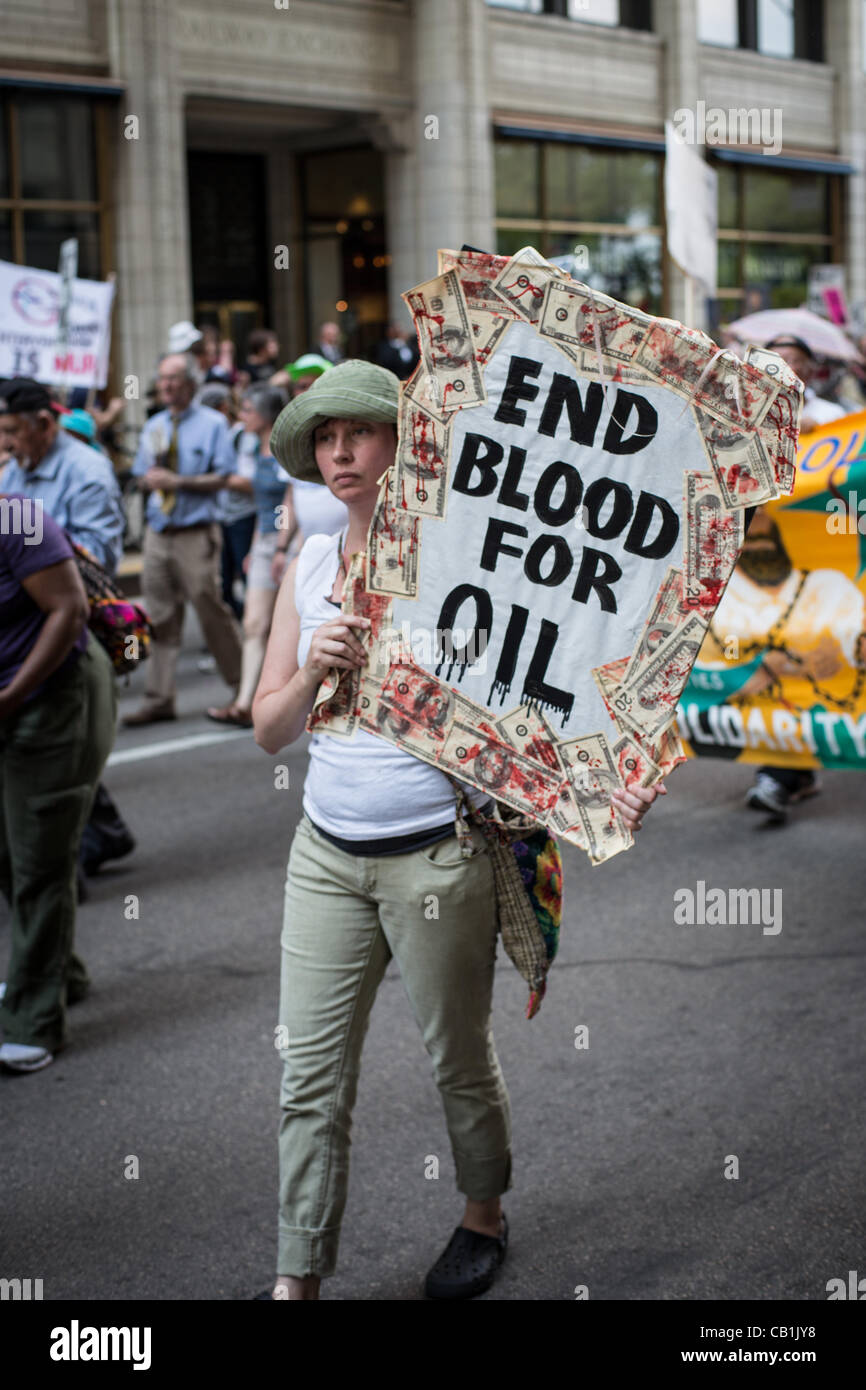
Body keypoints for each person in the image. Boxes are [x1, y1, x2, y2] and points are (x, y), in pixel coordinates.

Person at [252, 361, 663, 1300]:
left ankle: (483, 1214)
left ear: (408, 446)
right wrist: (313, 668)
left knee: (459, 1062)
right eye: (324, 437)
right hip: (324, 857)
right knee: (308, 1081)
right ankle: (297, 1278)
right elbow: (268, 727)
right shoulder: (310, 565)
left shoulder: (472, 570)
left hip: (439, 858)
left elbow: (545, 698)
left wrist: (609, 774)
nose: (341, 450)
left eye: (359, 431)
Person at [0, 497, 116, 1072]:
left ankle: (36, 1018)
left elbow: (67, 611)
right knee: (8, 855)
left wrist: (9, 698)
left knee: (41, 861)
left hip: (44, 703)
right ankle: (55, 972)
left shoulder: (16, 519)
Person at [741, 336, 847, 816]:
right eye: (775, 358)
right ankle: (783, 772)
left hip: (820, 560)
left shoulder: (831, 418)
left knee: (805, 655)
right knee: (769, 657)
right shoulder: (746, 410)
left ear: (809, 367)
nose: (784, 365)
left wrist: (808, 430)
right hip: (761, 566)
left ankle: (785, 773)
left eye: (793, 360)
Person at [124, 352, 242, 725]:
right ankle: (159, 698)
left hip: (196, 532)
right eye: (162, 379)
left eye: (174, 379)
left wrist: (180, 483)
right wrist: (151, 481)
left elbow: (224, 476)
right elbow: (142, 475)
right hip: (159, 533)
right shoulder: (154, 426)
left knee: (210, 611)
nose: (167, 386)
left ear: (191, 383)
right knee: (159, 617)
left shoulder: (213, 424)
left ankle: (244, 688)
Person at [207, 385, 291, 728]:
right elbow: (261, 507)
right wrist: (257, 546)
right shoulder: (253, 447)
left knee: (294, 625)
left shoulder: (286, 449)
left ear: (266, 414)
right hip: (266, 542)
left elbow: (291, 501)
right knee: (254, 624)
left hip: (292, 543)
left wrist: (284, 548)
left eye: (247, 410)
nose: (242, 416)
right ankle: (246, 703)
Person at [199, 383, 257, 623]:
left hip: (243, 517)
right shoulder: (213, 437)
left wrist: (209, 479)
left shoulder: (244, 436)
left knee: (247, 578)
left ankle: (257, 629)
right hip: (219, 517)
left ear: (222, 410)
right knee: (220, 582)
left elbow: (249, 482)